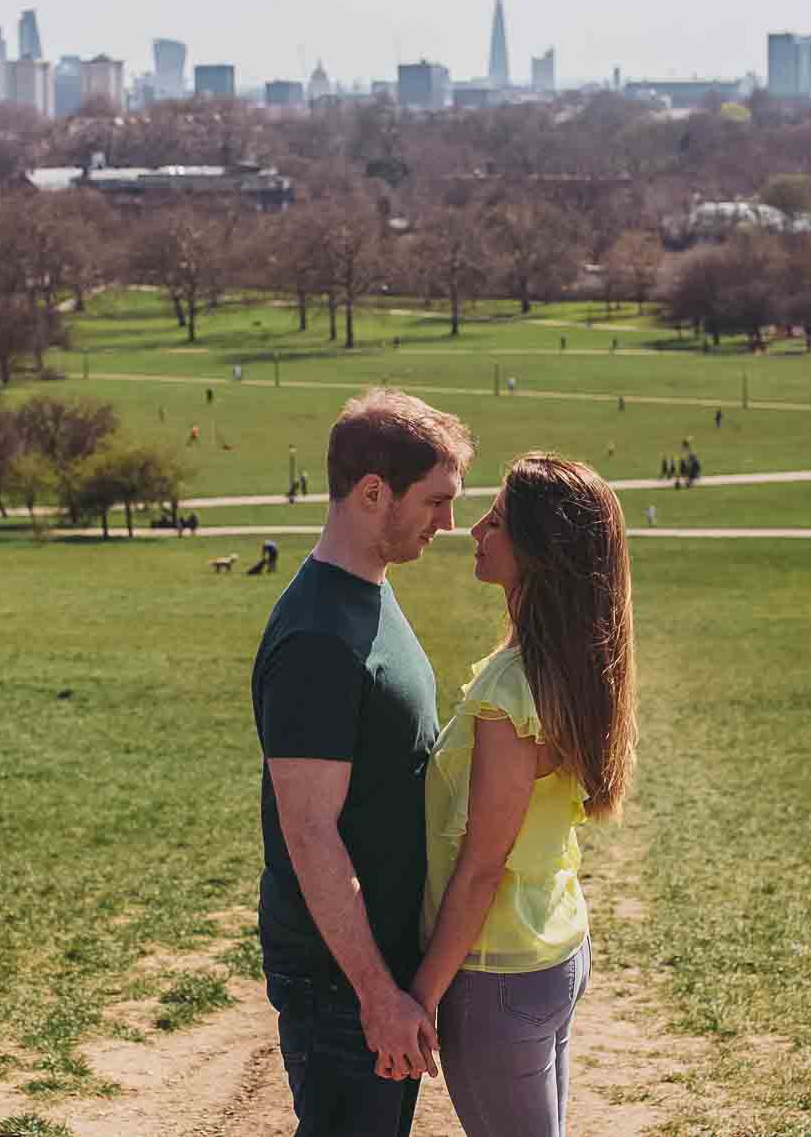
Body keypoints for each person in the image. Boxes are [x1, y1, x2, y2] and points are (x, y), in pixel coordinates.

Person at [253, 388, 475, 1136]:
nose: (450, 523)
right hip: (341, 983)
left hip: (374, 972)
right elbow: (310, 835)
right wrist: (378, 995)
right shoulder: (318, 638)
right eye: (436, 501)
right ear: (373, 493)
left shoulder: (369, 591)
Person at [416, 454, 638, 1136]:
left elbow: (484, 865)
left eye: (499, 519)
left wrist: (422, 992)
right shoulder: (573, 669)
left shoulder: (512, 691)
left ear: (539, 553)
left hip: (497, 974)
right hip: (554, 950)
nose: (476, 527)